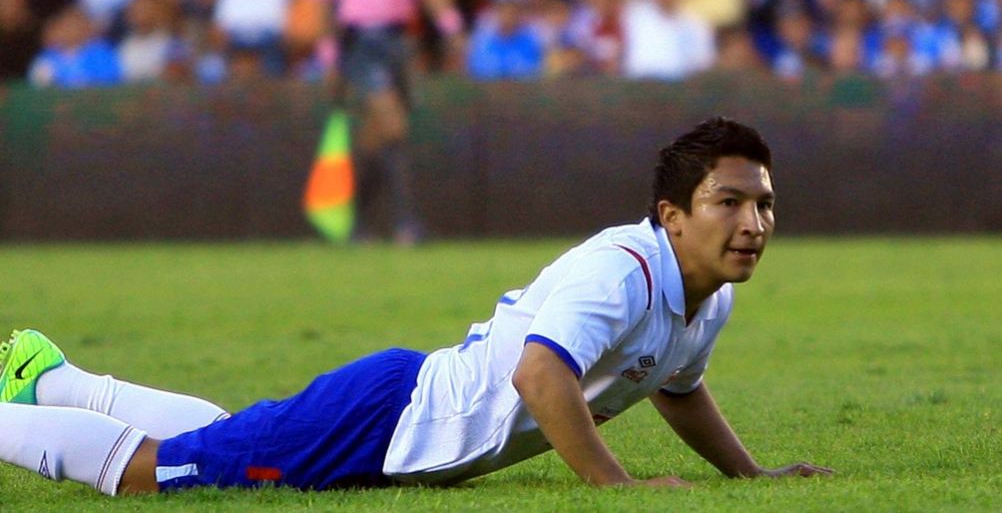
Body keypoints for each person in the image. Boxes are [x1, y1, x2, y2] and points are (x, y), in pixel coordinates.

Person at [0, 117, 833, 495]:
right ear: (673, 215)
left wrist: (749, 474)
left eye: (764, 204)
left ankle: (51, 376)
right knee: (158, 473)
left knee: (220, 444)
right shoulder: (622, 269)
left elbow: (679, 387)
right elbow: (542, 375)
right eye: (730, 202)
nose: (753, 222)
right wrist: (616, 486)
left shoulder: (705, 294)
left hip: (397, 424)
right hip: (389, 417)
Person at [301, 0, 465, 245]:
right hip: (360, 42)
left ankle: (354, 223)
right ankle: (406, 224)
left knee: (377, 138)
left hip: (397, 42)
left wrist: (451, 28)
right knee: (393, 124)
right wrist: (328, 53)